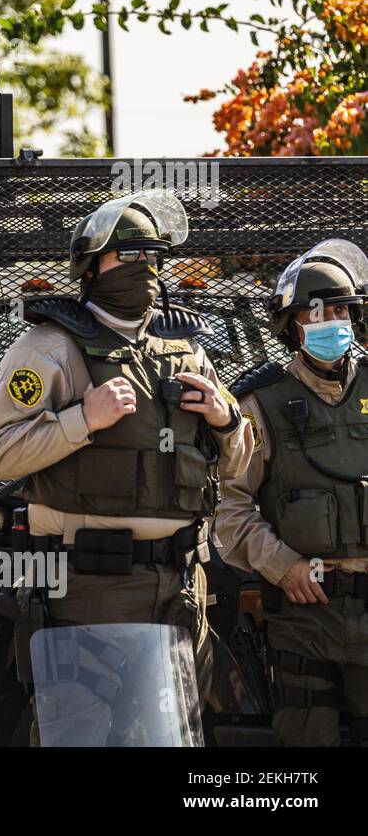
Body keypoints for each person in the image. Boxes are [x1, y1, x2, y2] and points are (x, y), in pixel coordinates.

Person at [0, 192, 253, 727]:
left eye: (150, 257)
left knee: (170, 736)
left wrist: (226, 420)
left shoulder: (186, 348)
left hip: (179, 588)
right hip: (88, 590)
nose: (142, 270)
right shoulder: (51, 346)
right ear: (91, 266)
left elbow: (239, 468)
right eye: (127, 257)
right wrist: (83, 420)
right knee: (82, 736)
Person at [214, 240, 368, 746]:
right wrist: (282, 565)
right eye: (316, 311)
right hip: (305, 612)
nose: (331, 321)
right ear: (291, 324)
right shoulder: (261, 402)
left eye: (341, 309)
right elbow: (229, 506)